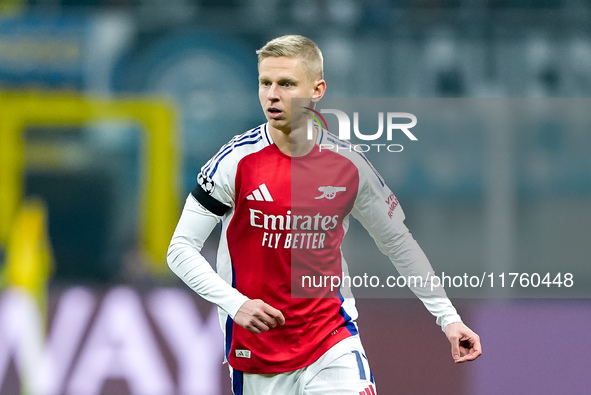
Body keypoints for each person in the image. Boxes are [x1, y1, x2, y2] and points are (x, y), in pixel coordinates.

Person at [167, 34, 481, 395]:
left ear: (317, 90)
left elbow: (398, 242)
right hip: (258, 351)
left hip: (331, 340)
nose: (272, 94)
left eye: (286, 84)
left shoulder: (348, 165)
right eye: (265, 82)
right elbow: (180, 249)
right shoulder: (233, 163)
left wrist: (449, 319)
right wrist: (235, 304)